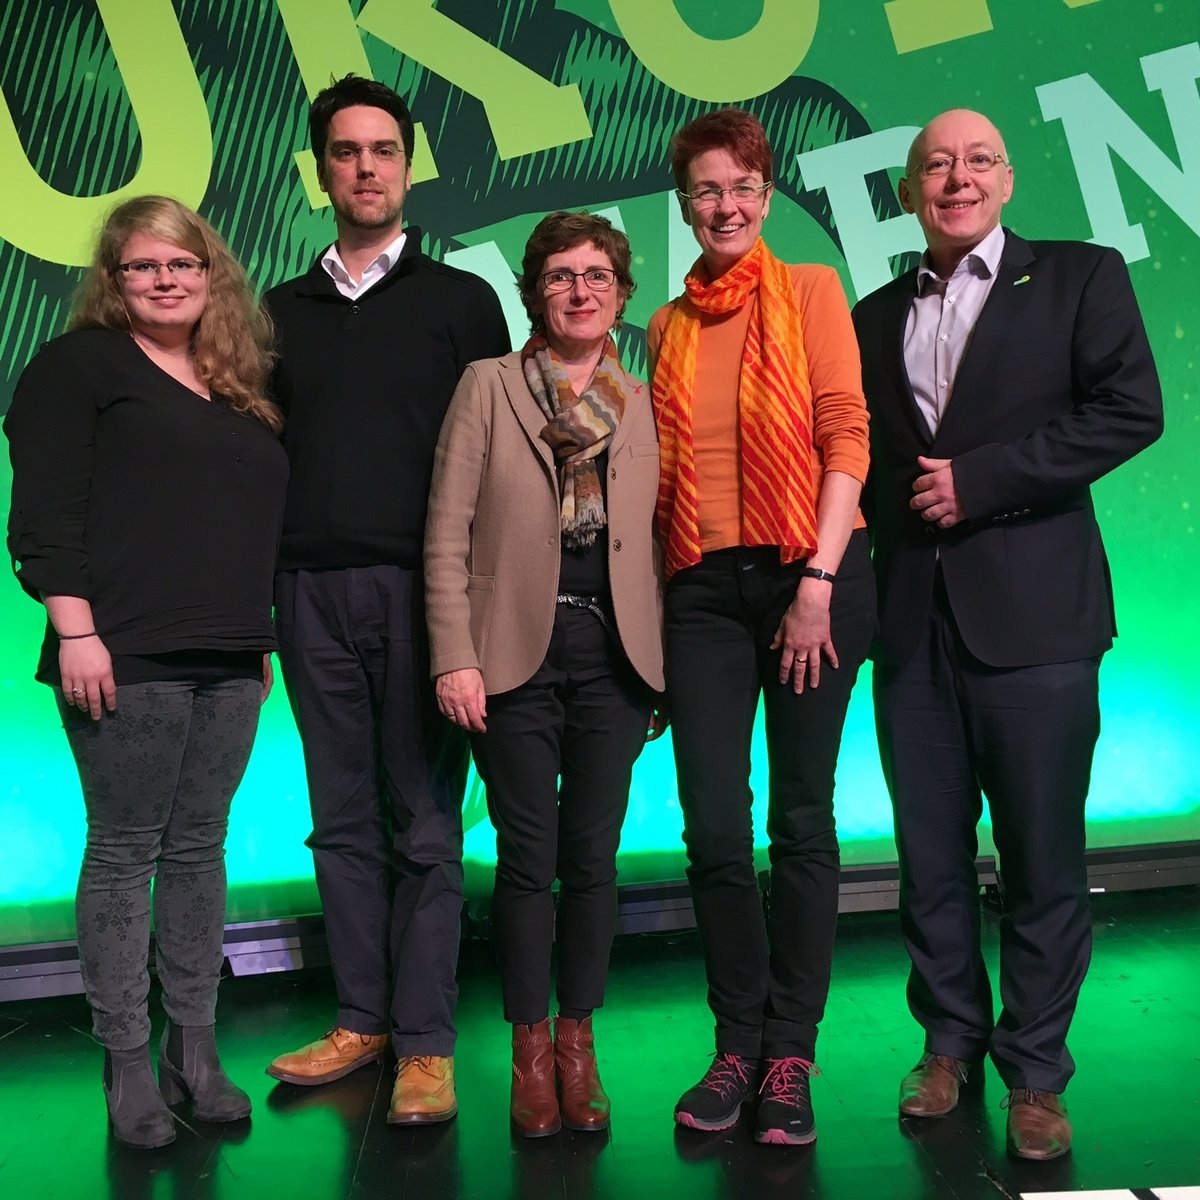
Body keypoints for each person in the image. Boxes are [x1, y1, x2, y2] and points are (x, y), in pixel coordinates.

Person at [851, 109, 1163, 1160]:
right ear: (908, 191)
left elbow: (1130, 410)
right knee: (929, 856)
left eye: (978, 159)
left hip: (1037, 622)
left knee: (1041, 856)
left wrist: (981, 482)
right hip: (911, 628)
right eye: (937, 164)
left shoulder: (1079, 275)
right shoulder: (872, 313)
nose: (958, 177)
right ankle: (949, 1043)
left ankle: (1035, 1070)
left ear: (1009, 179)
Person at [4, 196, 287, 1149]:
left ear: (212, 276)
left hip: (231, 657)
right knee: (127, 853)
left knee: (201, 849)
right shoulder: (78, 367)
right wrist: (75, 631)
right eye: (143, 266)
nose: (166, 280)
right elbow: (44, 514)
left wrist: (256, 641)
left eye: (183, 263)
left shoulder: (236, 384)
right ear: (114, 281)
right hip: (121, 652)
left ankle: (193, 1050)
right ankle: (126, 1061)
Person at [263, 74, 510, 1124]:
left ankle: (425, 1041)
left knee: (424, 820)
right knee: (339, 820)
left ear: (409, 167)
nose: (366, 168)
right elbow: (257, 465)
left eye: (384, 151)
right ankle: (360, 1020)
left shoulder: (463, 302)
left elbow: (500, 464)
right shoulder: (276, 313)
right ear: (320, 169)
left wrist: (479, 615)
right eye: (346, 151)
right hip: (306, 592)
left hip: (425, 593)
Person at [647, 109, 876, 1147]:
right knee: (712, 824)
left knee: (801, 819)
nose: (726, 205)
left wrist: (818, 579)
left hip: (807, 575)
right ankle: (736, 1042)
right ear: (684, 204)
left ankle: (790, 1050)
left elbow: (845, 433)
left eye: (742, 187)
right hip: (700, 589)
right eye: (707, 189)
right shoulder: (666, 325)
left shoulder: (812, 290)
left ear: (768, 196)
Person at [425, 211, 665, 1138]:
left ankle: (578, 1042)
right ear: (534, 293)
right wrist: (454, 654)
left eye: (598, 275)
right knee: (528, 861)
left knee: (593, 858)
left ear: (621, 294)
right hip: (512, 651)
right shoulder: (488, 385)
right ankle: (530, 1049)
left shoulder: (641, 398)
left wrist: (667, 670)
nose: (580, 290)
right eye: (561, 275)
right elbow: (446, 530)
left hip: (616, 657)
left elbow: (662, 536)